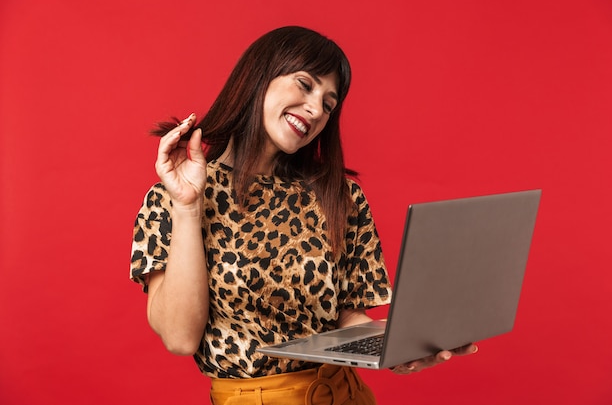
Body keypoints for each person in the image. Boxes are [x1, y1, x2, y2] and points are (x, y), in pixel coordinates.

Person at [130, 26, 477, 405]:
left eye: (329, 104)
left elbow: (347, 319)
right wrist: (187, 206)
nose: (315, 109)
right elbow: (180, 338)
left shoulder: (340, 196)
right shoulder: (176, 195)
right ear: (259, 76)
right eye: (304, 84)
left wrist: (399, 347)